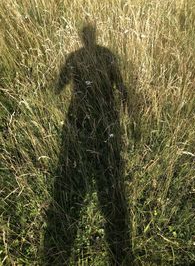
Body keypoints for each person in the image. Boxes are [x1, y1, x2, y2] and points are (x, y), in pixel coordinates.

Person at [44, 24, 133, 265]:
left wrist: (52, 90)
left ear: (83, 38)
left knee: (85, 150)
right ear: (92, 37)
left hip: (83, 115)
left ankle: (92, 168)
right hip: (105, 115)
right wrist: (126, 99)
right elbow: (119, 83)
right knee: (105, 156)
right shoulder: (106, 53)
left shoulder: (76, 56)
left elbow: (61, 83)